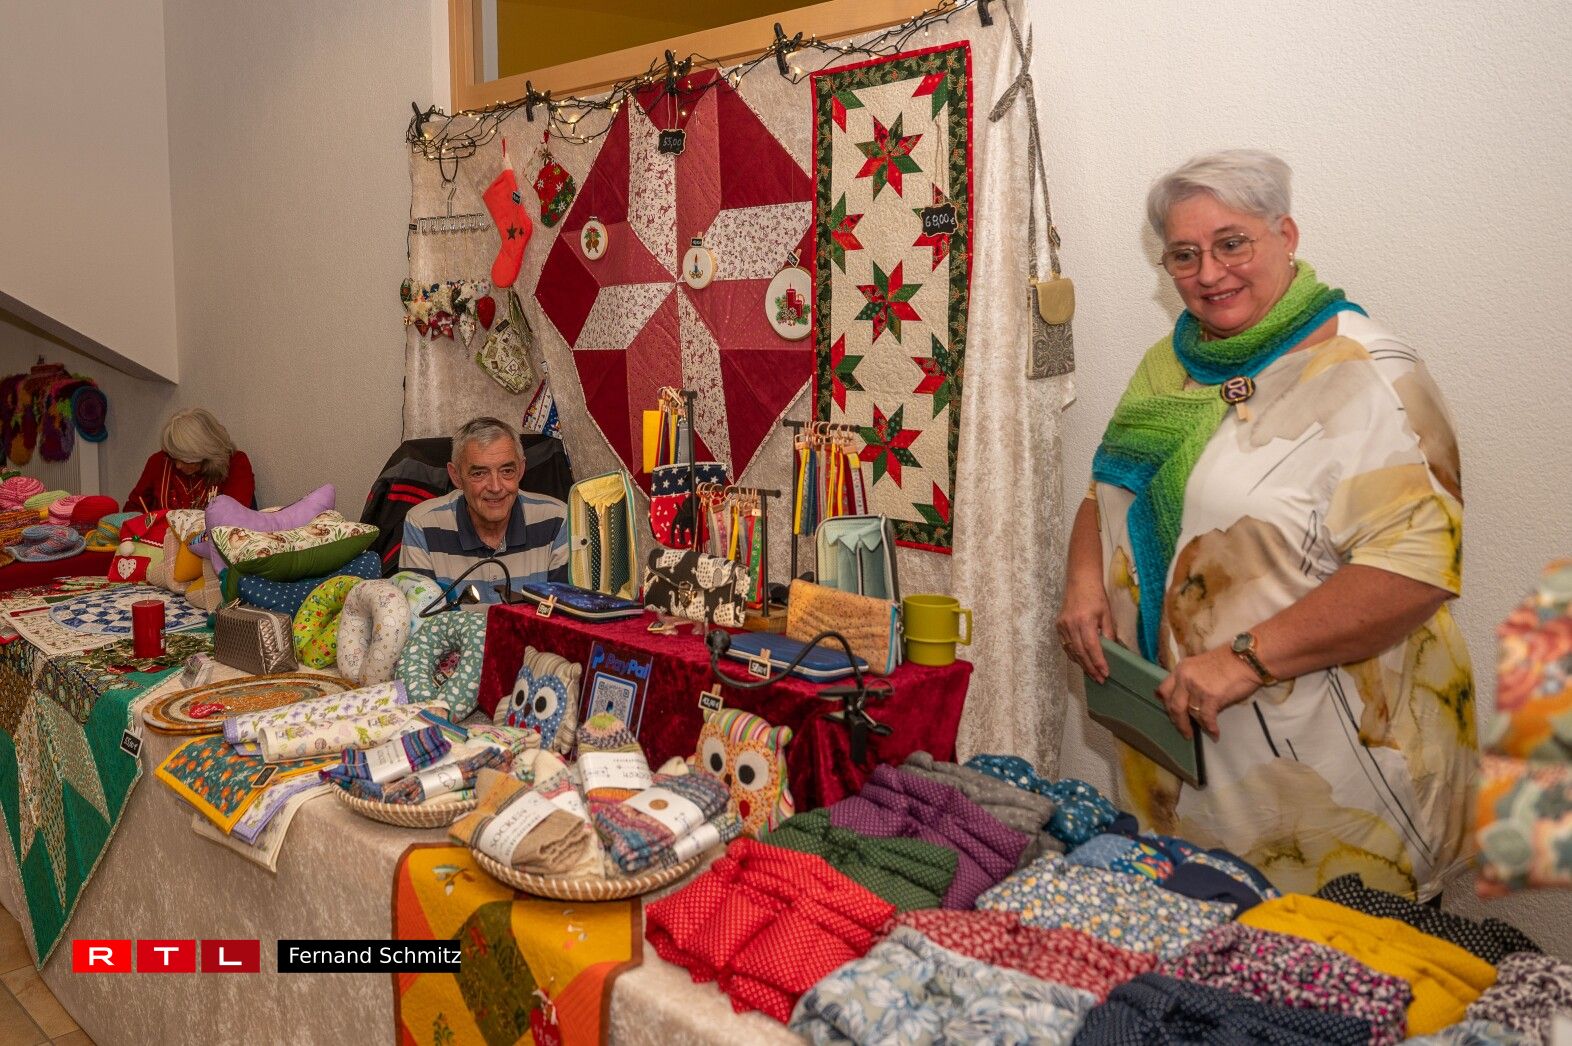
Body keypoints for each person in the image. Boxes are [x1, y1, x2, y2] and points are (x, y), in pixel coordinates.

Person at [1058, 149, 1472, 901]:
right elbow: (1107, 488)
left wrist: (1245, 659)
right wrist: (1085, 582)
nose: (1209, 272)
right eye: (1184, 254)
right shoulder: (1169, 364)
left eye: (1232, 243)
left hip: (1331, 786)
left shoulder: (1371, 372)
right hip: (1180, 776)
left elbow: (1416, 573)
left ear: (1286, 235)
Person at [399, 416, 568, 601]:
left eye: (507, 471)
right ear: (456, 477)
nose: (495, 487)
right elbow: (420, 614)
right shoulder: (422, 525)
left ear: (520, 470)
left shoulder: (557, 520)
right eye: (479, 473)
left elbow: (566, 612)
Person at [126, 407, 254, 511]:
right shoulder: (159, 461)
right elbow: (133, 508)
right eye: (173, 456)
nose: (178, 465)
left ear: (206, 454)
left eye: (185, 459)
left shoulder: (235, 464)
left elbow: (235, 516)